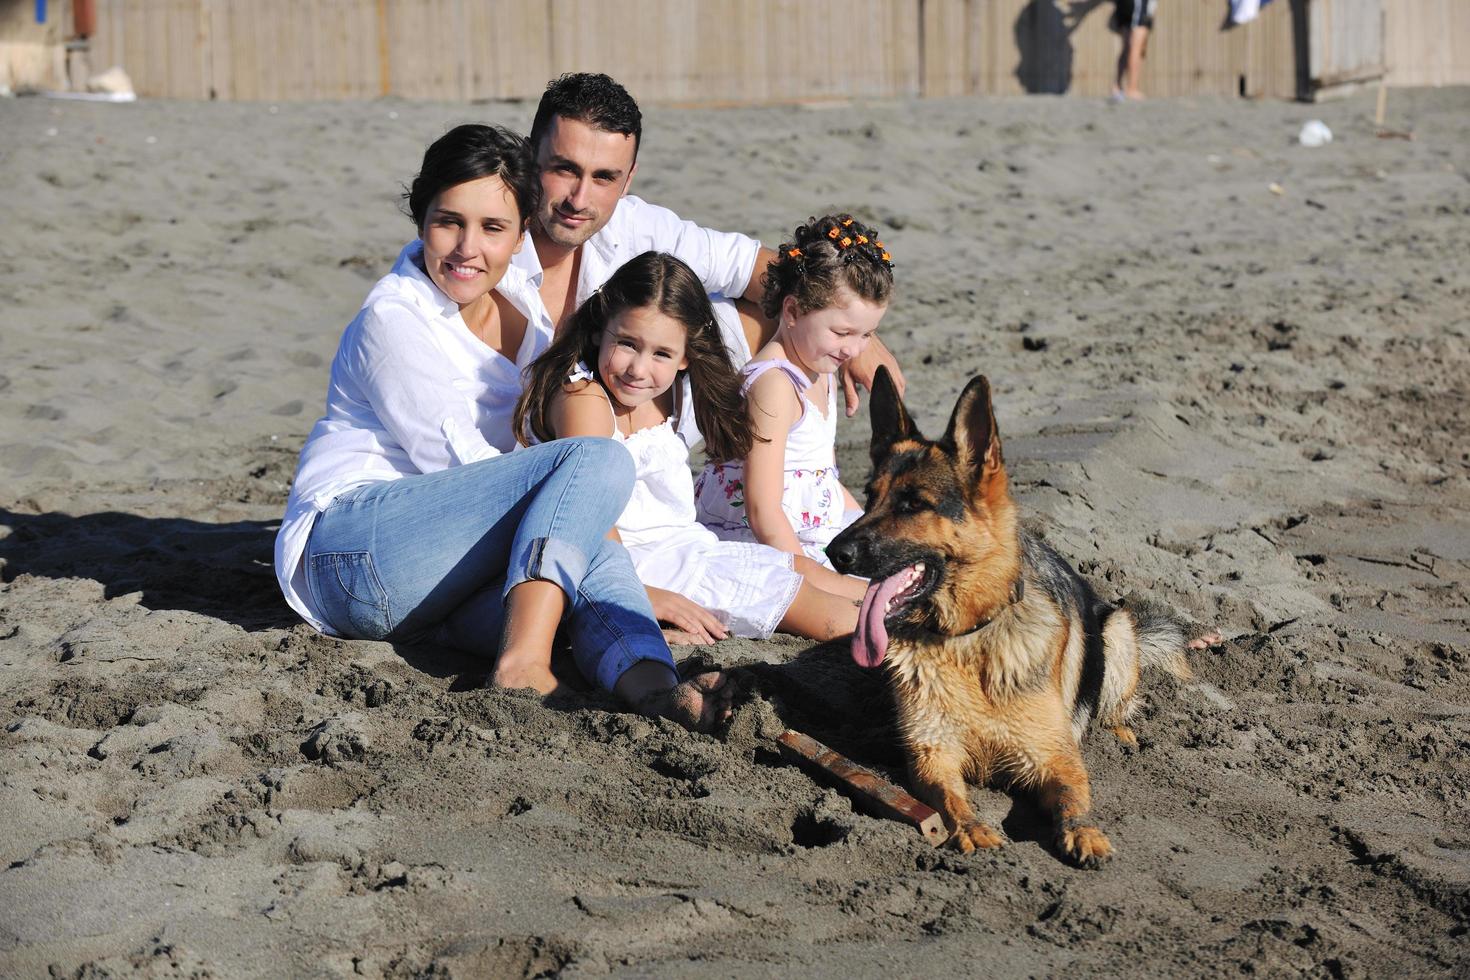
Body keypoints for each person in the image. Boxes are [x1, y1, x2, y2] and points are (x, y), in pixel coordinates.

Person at [272, 124, 730, 731]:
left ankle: (654, 689)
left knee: (574, 582)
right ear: (420, 218)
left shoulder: (519, 293)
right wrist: (621, 564)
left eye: (492, 228)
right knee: (596, 463)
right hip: (357, 554)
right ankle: (521, 665)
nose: (467, 248)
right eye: (448, 221)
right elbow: (464, 466)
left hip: (443, 586)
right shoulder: (394, 318)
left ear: (522, 236)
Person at [514, 72, 906, 442]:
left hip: (652, 410)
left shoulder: (635, 224)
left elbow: (757, 267)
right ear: (532, 157)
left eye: (604, 177)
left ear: (628, 178)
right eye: (565, 169)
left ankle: (792, 480)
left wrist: (855, 337)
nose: (579, 200)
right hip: (542, 445)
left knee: (793, 324)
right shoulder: (483, 244)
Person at [515, 252, 865, 645]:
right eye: (628, 344)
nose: (638, 369)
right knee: (820, 610)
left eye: (662, 353)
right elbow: (591, 517)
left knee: (806, 571)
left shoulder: (675, 393)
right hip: (635, 568)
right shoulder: (584, 398)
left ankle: (910, 607)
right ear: (600, 329)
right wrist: (645, 598)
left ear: (685, 356)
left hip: (690, 549)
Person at [695, 214, 893, 568]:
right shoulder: (774, 385)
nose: (854, 350)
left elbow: (822, 476)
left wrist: (861, 523)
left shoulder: (820, 363)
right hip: (770, 544)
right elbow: (762, 512)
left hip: (812, 530)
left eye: (866, 335)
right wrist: (815, 582)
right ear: (792, 310)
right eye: (842, 332)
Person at [1111, 0, 1156, 100]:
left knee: (1127, 47)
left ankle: (1117, 86)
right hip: (1138, 4)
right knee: (1136, 48)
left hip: (1123, 5)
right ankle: (1132, 88)